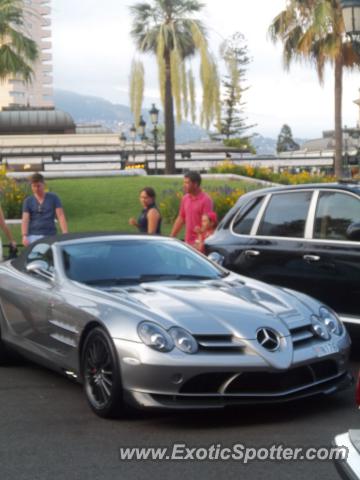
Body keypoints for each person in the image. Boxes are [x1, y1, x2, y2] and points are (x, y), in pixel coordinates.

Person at [21, 173, 68, 246]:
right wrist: (24, 235)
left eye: (38, 186)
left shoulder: (54, 198)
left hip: (50, 234)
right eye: (34, 186)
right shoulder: (28, 201)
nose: (36, 189)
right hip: (33, 235)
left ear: (44, 184)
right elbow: (25, 219)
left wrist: (65, 233)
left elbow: (60, 216)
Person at [170, 171, 213, 246]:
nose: (184, 185)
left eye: (187, 183)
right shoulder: (185, 198)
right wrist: (171, 236)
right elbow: (181, 218)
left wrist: (200, 241)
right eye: (184, 183)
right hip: (188, 243)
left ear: (195, 184)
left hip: (200, 244)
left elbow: (207, 224)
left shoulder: (206, 200)